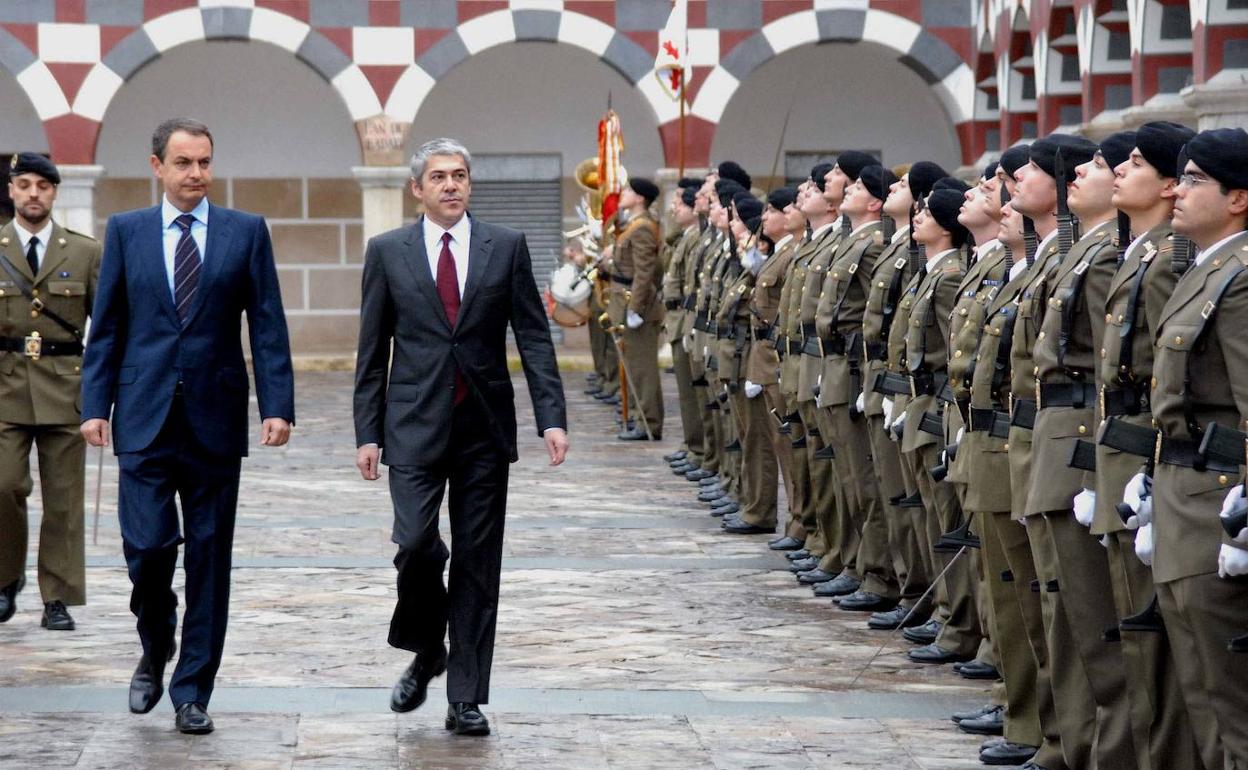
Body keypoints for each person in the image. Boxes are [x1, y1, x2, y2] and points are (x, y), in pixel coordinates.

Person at [80, 117, 295, 735]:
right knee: (147, 550)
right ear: (158, 168)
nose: (196, 173)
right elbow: (110, 326)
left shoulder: (246, 232)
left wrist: (275, 404)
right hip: (142, 416)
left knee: (208, 558)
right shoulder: (125, 232)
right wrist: (94, 404)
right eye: (183, 163)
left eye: (204, 162)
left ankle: (192, 689)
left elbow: (269, 323)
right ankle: (155, 644)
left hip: (215, 420)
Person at [353, 137, 568, 737]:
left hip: (483, 427)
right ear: (416, 188)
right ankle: (428, 647)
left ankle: (465, 698)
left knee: (478, 563)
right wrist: (366, 432)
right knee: (417, 542)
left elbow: (533, 337)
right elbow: (371, 353)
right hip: (413, 425)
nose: (451, 185)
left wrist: (551, 415)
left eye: (461, 176)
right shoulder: (388, 252)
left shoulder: (506, 248)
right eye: (439, 177)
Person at [0, 153, 101, 631]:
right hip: (5, 388)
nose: (33, 193)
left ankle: (57, 597)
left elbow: (106, 328)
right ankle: (4, 579)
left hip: (66, 388)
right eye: (24, 184)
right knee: (3, 486)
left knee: (63, 499)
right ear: (11, 191)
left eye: (43, 184)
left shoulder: (83, 252)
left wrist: (104, 394)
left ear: (55, 192)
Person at [607, 177, 664, 440]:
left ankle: (648, 422)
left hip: (636, 305)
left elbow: (644, 273)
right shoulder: (633, 225)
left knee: (643, 369)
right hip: (624, 300)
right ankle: (641, 418)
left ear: (640, 198)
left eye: (629, 190)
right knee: (635, 366)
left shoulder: (642, 228)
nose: (623, 193)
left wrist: (636, 308)